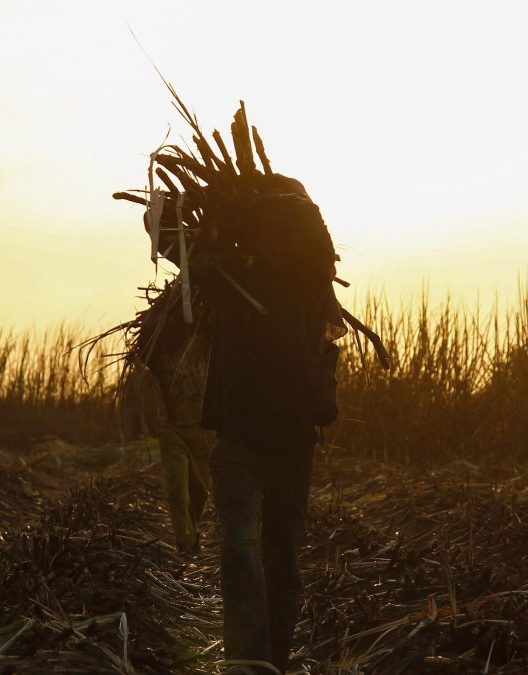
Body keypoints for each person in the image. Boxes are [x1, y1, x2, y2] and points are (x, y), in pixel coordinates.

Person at [188, 174, 344, 674]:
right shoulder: (237, 271)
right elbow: (183, 253)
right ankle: (255, 662)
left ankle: (260, 662)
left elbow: (180, 251)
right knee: (267, 554)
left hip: (261, 436)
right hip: (268, 436)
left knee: (255, 551)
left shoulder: (286, 274)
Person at [142, 292, 214, 555]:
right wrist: (162, 309)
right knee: (176, 488)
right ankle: (184, 542)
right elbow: (145, 347)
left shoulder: (201, 337)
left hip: (204, 427)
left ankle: (192, 533)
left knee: (199, 491)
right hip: (171, 426)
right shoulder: (156, 350)